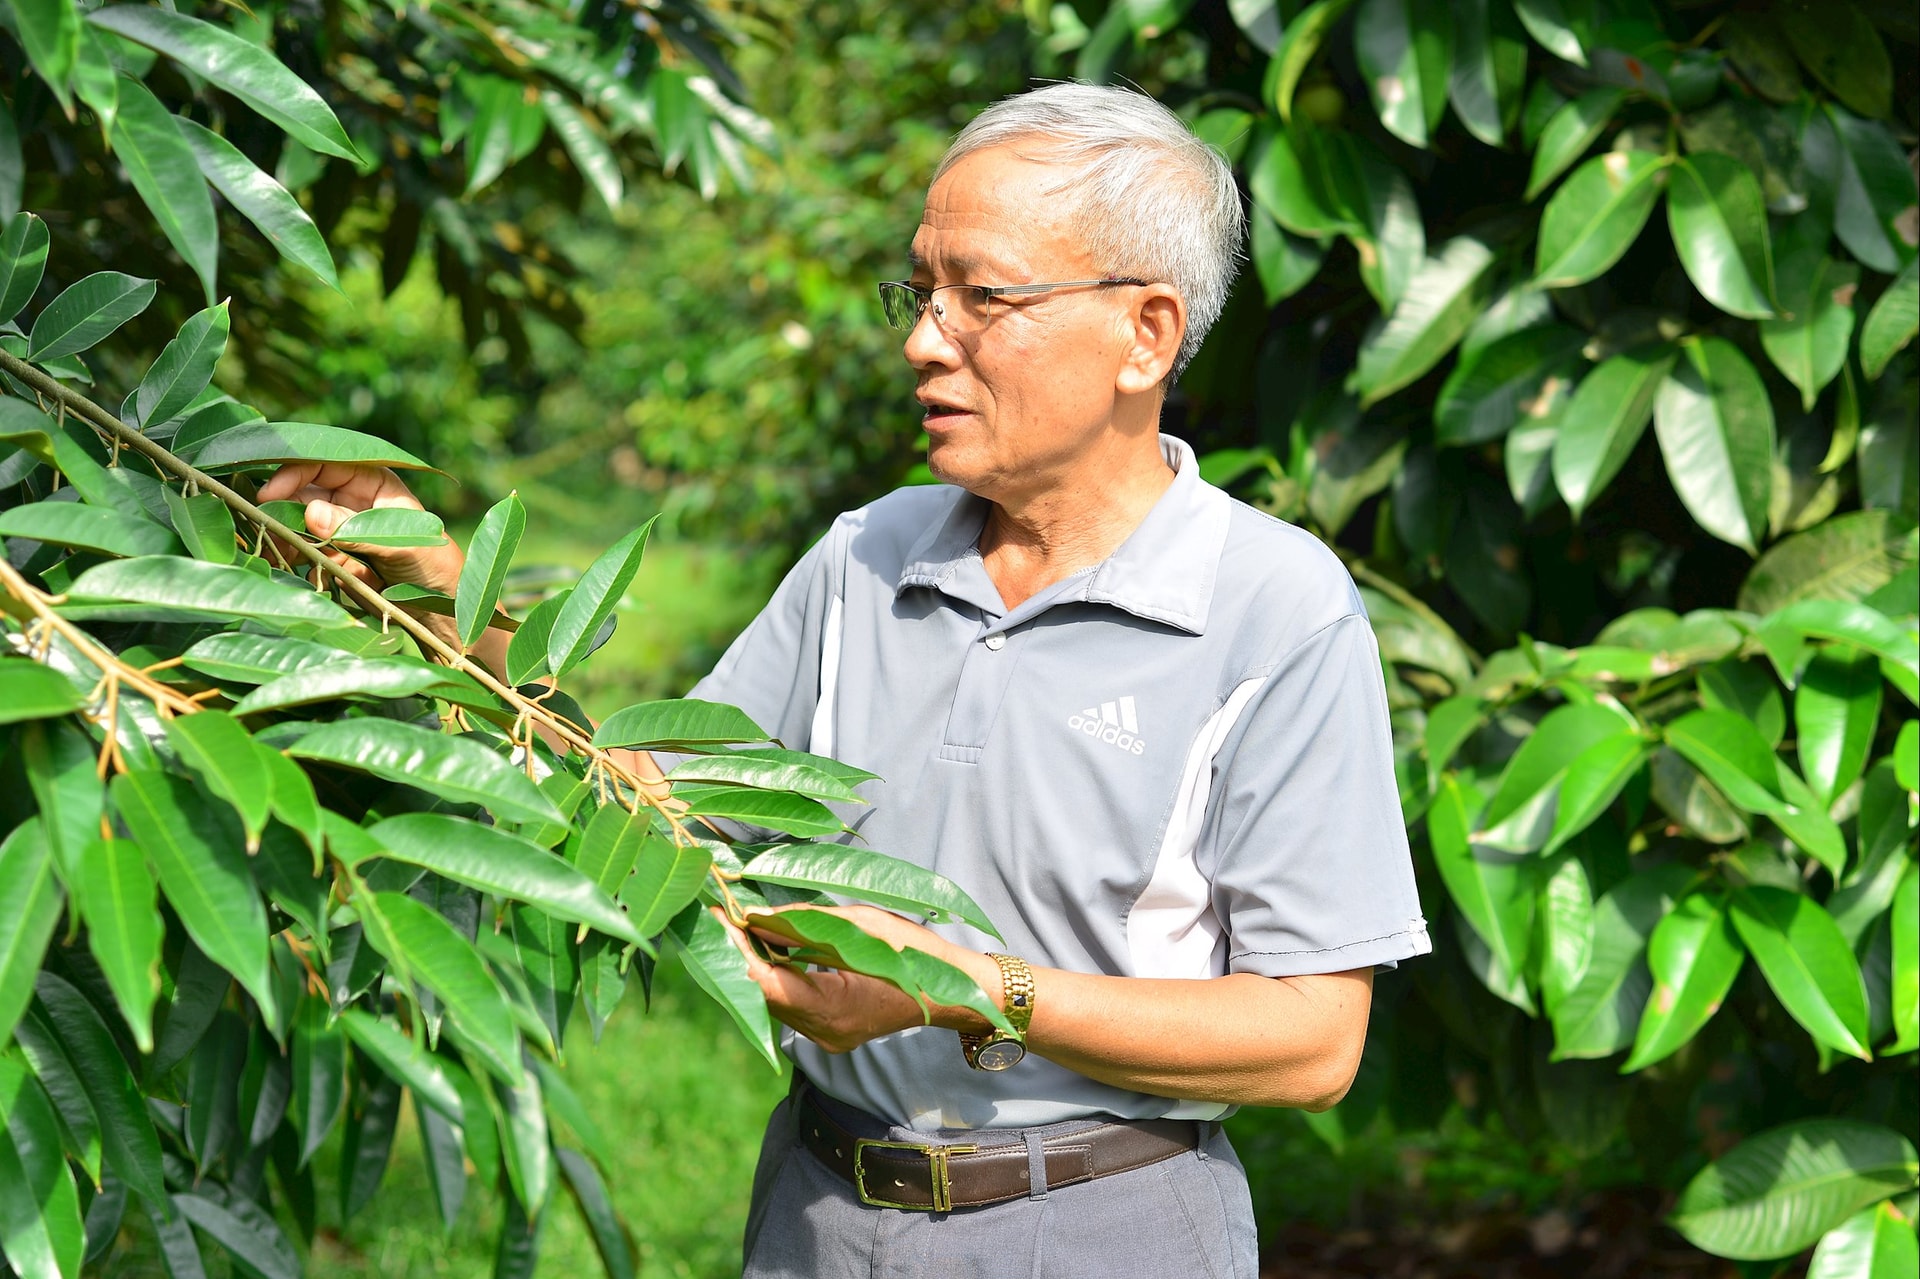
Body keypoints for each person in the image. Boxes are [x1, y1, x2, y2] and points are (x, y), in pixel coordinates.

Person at [262, 82, 1429, 1278]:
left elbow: (1311, 1040)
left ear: (1146, 333)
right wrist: (442, 596)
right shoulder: (869, 555)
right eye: (921, 292)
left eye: (984, 297)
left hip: (1099, 1219)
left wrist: (964, 989)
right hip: (820, 1208)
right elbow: (639, 800)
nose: (926, 339)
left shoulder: (1273, 608)